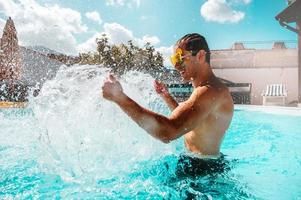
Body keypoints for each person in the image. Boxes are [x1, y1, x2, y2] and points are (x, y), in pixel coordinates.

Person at [102, 33, 234, 175]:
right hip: (202, 165)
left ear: (201, 55)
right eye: (174, 59)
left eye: (180, 57)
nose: (176, 65)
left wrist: (120, 99)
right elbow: (190, 121)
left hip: (204, 171)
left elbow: (169, 132)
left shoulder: (209, 91)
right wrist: (167, 96)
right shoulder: (207, 90)